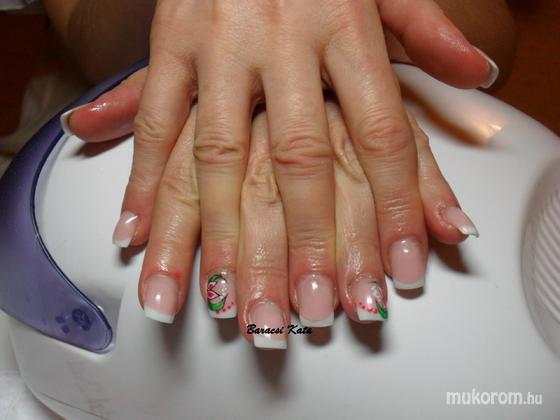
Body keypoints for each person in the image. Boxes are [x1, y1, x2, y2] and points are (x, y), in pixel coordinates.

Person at [44, 0, 515, 348]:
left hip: (379, 83)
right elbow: (86, 34)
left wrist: (333, 48)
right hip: (114, 85)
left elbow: (490, 40)